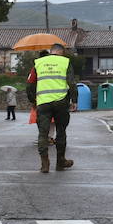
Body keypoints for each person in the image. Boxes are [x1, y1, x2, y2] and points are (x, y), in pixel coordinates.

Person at [28, 44, 77, 173]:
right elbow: (71, 83)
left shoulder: (38, 63)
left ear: (51, 51)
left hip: (43, 103)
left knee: (43, 134)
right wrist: (74, 100)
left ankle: (45, 164)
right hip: (61, 102)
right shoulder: (65, 62)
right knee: (61, 132)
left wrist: (33, 100)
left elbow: (30, 84)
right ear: (61, 52)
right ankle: (60, 162)